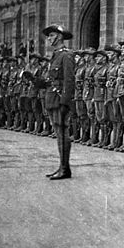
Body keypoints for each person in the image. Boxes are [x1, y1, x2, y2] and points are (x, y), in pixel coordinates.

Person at [41, 24, 75, 180]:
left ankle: (65, 169)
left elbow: (69, 80)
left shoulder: (66, 55)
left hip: (59, 99)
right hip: (52, 97)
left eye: (52, 35)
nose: (49, 38)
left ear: (60, 37)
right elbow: (53, 79)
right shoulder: (55, 55)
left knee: (62, 133)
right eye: (48, 36)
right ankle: (62, 167)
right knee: (58, 133)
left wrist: (64, 103)